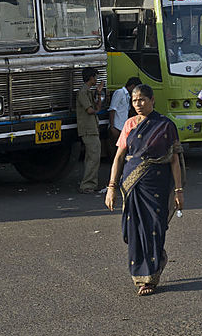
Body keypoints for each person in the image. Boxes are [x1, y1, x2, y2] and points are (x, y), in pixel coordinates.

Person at [104, 84, 185, 296]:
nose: (138, 104)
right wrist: (111, 187)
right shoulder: (129, 124)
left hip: (157, 185)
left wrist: (178, 190)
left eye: (142, 100)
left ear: (152, 100)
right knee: (133, 231)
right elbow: (119, 157)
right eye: (134, 101)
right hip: (132, 185)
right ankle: (144, 270)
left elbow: (175, 160)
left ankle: (150, 277)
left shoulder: (165, 125)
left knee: (155, 228)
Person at [75, 67, 104, 194]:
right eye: (95, 77)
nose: (96, 80)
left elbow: (97, 106)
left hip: (92, 127)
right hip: (87, 129)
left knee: (92, 157)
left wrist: (98, 93)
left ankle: (90, 183)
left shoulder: (89, 92)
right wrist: (97, 110)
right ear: (91, 77)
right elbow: (90, 110)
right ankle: (88, 184)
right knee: (94, 156)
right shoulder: (83, 92)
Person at [109, 76, 140, 145]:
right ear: (132, 86)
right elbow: (112, 110)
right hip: (116, 127)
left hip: (122, 128)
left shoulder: (127, 96)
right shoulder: (119, 93)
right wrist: (112, 127)